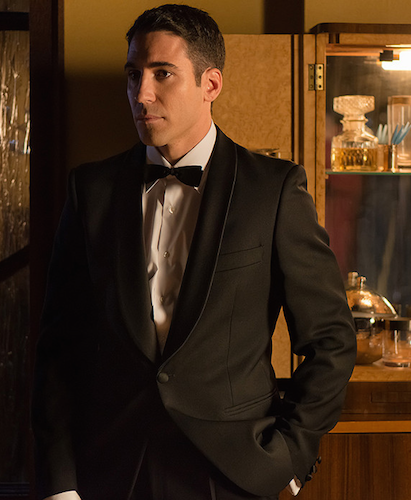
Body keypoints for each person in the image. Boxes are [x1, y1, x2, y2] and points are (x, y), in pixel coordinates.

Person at [31, 4, 356, 500]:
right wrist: (60, 483)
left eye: (162, 73)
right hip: (110, 471)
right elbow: (59, 348)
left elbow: (331, 339)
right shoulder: (91, 190)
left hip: (233, 474)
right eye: (133, 75)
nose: (141, 93)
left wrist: (289, 458)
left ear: (211, 84)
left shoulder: (273, 190)